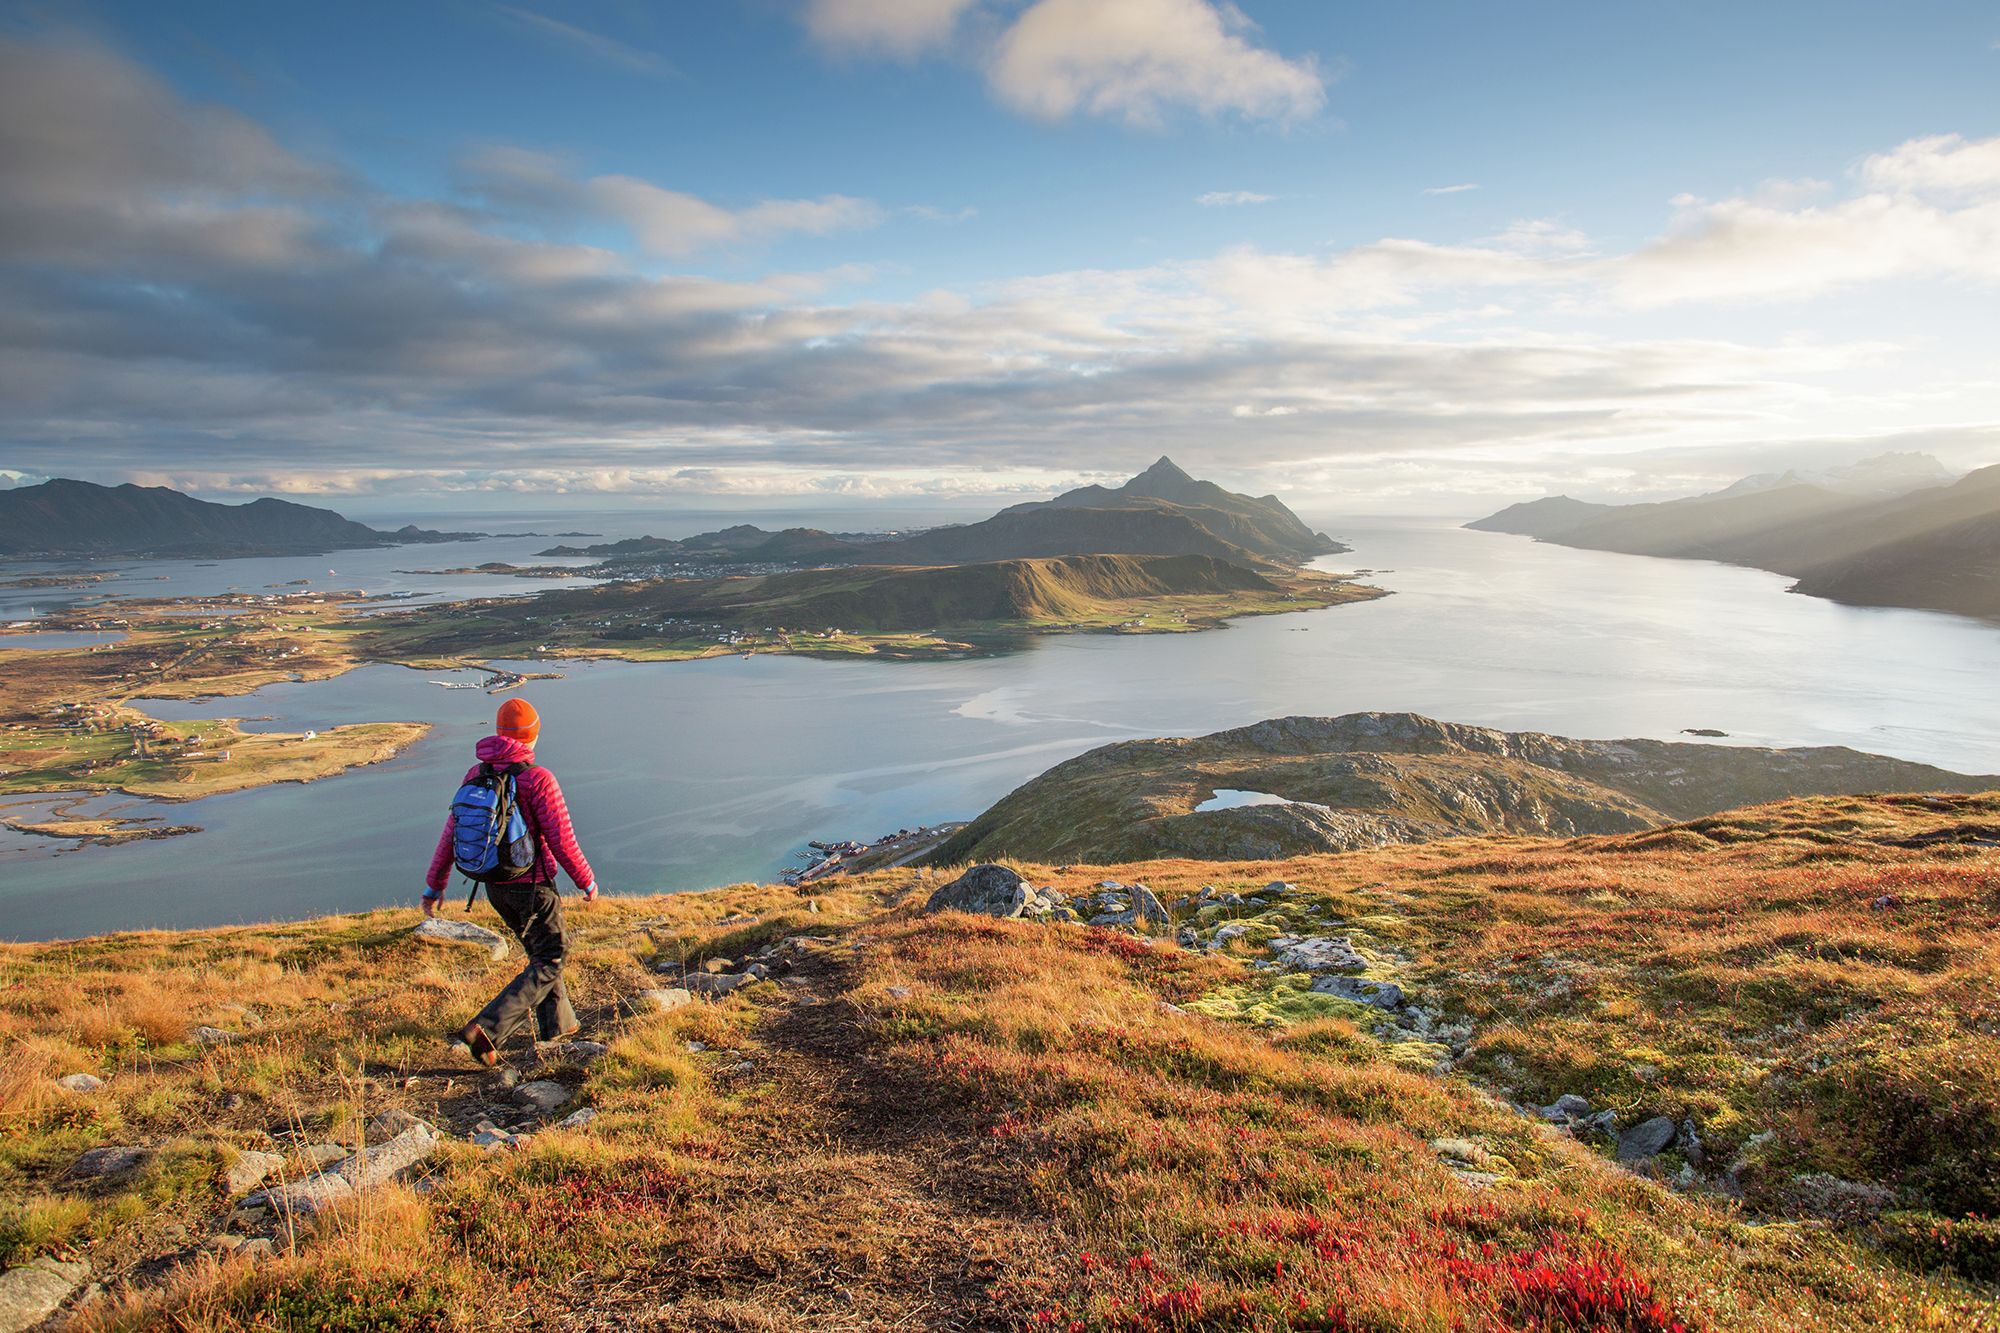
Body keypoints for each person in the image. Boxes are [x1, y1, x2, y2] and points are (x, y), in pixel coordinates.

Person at [423, 697, 598, 1066]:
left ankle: (558, 1030)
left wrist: (434, 884)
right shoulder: (537, 779)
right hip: (533, 887)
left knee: (542, 954)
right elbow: (561, 839)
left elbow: (449, 834)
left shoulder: (476, 777)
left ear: (500, 732)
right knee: (552, 957)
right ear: (533, 734)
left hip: (494, 887)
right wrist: (586, 880)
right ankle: (486, 1030)